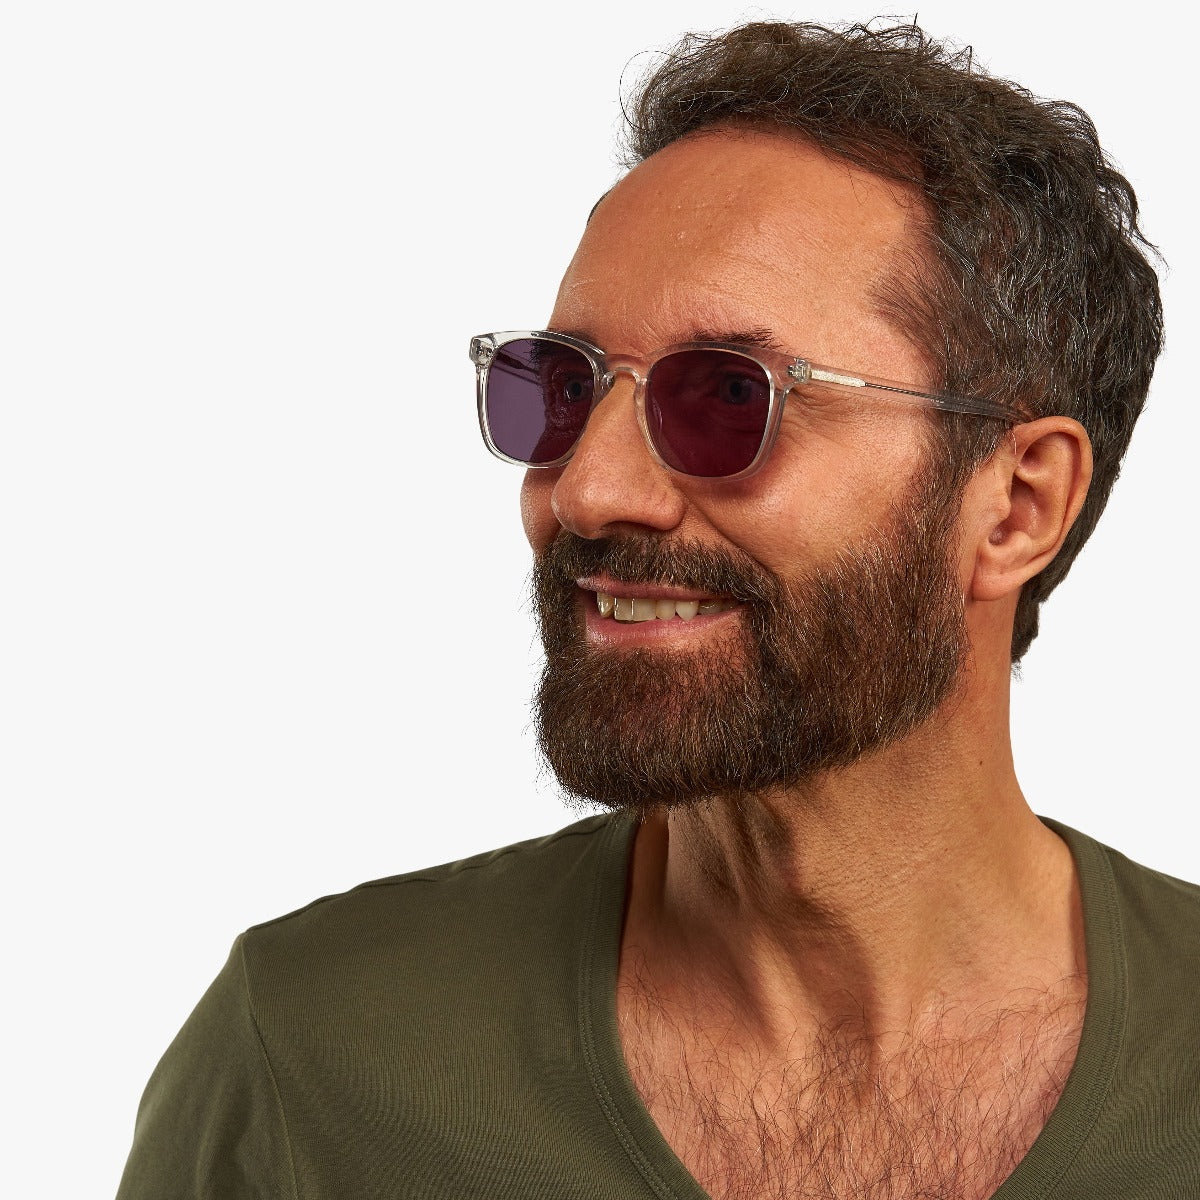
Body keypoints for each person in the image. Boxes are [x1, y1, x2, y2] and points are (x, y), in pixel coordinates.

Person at [116, 20, 1199, 1200]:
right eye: (561, 388)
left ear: (1016, 506)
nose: (587, 489)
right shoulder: (312, 1060)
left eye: (731, 395)